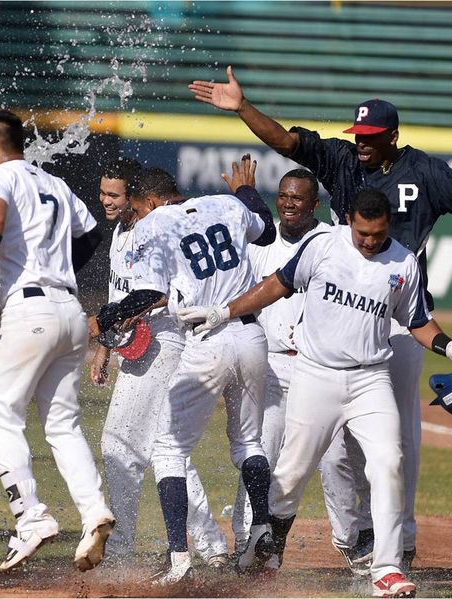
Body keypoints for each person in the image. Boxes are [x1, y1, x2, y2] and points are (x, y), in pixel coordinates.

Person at [189, 67, 452, 569]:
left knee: (396, 440)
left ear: (392, 138)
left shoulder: (423, 172)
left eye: (371, 139)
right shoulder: (340, 158)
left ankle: (396, 540)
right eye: (358, 136)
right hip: (337, 313)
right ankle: (341, 537)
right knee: (329, 445)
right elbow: (286, 141)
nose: (361, 145)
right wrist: (242, 108)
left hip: (397, 312)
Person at [180, 188, 452, 598]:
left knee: (388, 463)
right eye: (362, 232)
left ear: (387, 225)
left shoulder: (404, 263)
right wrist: (224, 311)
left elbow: (416, 319)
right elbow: (276, 285)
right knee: (289, 476)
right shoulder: (323, 246)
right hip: (317, 375)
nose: (369, 241)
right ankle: (269, 543)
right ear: (349, 221)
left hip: (370, 379)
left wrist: (449, 345)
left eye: (377, 234)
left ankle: (388, 568)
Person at [93, 167, 276, 584]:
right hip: (250, 335)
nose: (139, 214)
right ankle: (261, 529)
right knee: (248, 441)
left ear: (151, 201)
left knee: (168, 449)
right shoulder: (225, 204)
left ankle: (180, 558)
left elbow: (148, 295)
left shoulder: (153, 225)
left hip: (204, 340)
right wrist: (245, 189)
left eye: (138, 206)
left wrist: (101, 321)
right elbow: (265, 232)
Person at [0, 108, 114, 572]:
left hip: (30, 310)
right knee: (62, 423)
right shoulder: (56, 184)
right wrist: (55, 272)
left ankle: (31, 518)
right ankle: (93, 511)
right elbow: (90, 236)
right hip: (68, 311)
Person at [89, 158, 230, 567]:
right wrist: (104, 345)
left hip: (163, 341)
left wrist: (112, 324)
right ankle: (211, 546)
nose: (106, 201)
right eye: (103, 193)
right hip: (137, 345)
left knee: (119, 444)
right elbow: (121, 295)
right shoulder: (120, 233)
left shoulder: (160, 231)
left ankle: (119, 551)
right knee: (163, 448)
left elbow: (169, 289)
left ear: (137, 197)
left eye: (115, 195)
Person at [221, 160, 337, 556]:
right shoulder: (261, 241)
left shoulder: (330, 241)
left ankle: (297, 546)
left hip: (314, 368)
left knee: (313, 466)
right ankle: (244, 544)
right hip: (267, 365)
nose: (288, 204)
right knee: (259, 455)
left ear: (314, 204)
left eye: (297, 198)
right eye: (283, 196)